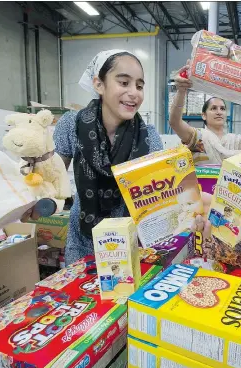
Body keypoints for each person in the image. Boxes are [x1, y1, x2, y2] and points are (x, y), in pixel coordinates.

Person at [25, 50, 211, 265]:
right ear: (99, 84)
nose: (134, 93)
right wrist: (32, 198)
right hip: (83, 239)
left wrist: (199, 207)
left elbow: (168, 194)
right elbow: (53, 177)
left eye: (139, 86)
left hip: (130, 242)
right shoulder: (72, 124)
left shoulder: (148, 137)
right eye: (124, 83)